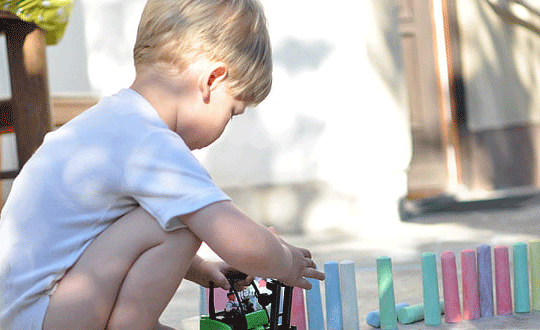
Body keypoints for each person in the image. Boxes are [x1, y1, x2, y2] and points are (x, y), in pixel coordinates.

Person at [0, 0, 325, 329]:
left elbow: (101, 236)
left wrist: (197, 268)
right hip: (47, 317)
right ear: (211, 80)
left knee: (170, 213)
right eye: (232, 111)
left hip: (28, 315)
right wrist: (286, 261)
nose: (227, 124)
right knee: (186, 223)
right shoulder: (151, 142)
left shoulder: (112, 123)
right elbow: (240, 242)